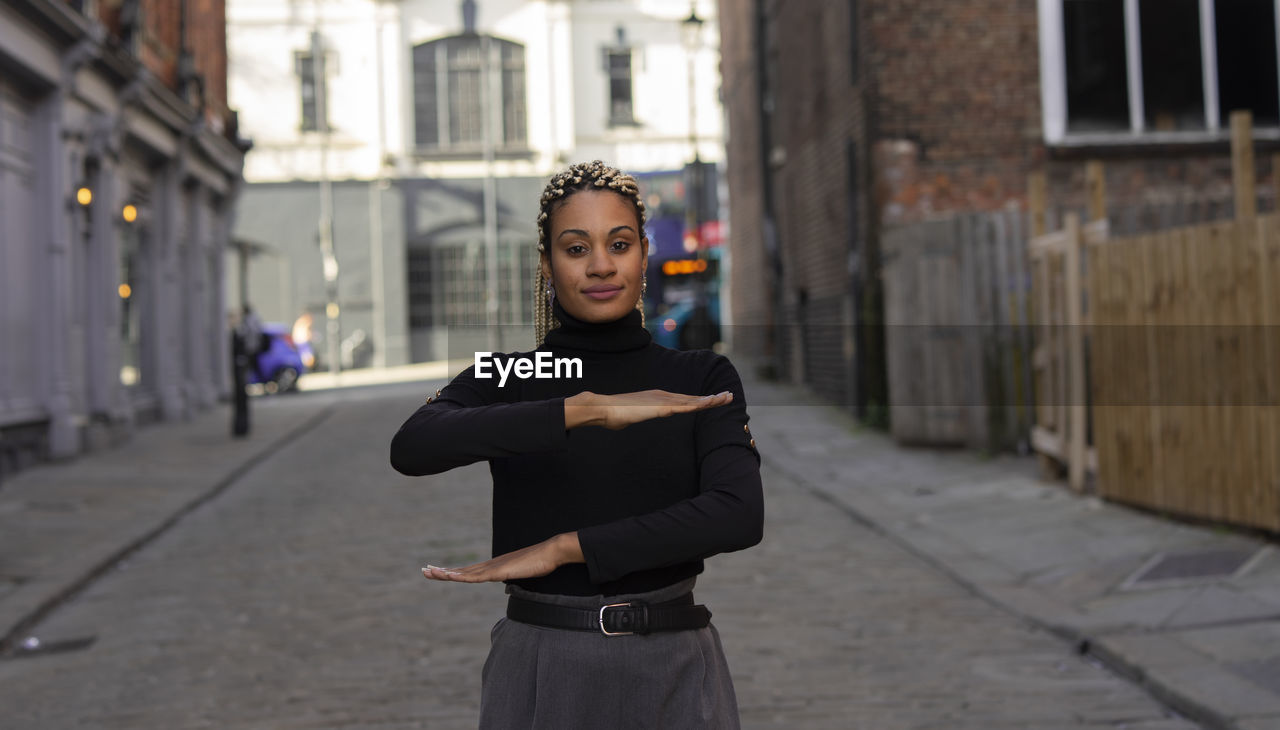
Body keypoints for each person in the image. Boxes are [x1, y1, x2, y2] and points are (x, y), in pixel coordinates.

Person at [389, 160, 764, 729]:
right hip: (543, 659)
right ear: (546, 264)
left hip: (674, 661)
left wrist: (569, 548)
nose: (601, 265)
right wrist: (577, 411)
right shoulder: (509, 376)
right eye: (575, 248)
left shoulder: (700, 375)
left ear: (643, 252)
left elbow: (738, 514)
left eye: (619, 243)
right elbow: (413, 446)